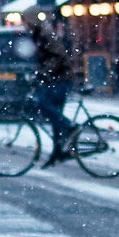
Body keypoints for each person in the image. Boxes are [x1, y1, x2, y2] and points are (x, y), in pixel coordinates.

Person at [28, 19, 78, 166]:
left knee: (43, 104)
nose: (26, 23)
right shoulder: (40, 34)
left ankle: (69, 126)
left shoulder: (45, 34)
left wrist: (43, 73)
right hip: (57, 78)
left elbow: (57, 57)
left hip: (61, 78)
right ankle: (58, 151)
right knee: (54, 114)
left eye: (27, 19)